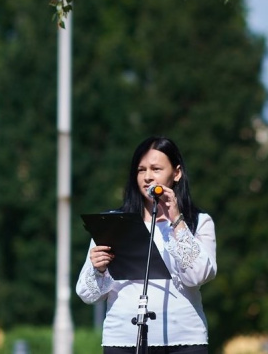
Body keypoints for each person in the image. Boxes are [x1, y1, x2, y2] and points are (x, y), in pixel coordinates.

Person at [76, 136, 217, 354]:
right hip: (123, 340)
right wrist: (98, 268)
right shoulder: (113, 222)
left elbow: (198, 276)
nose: (148, 177)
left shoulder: (198, 222)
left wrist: (177, 221)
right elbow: (87, 294)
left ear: (176, 173)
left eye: (156, 169)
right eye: (141, 170)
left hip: (184, 340)